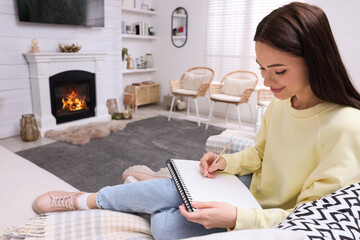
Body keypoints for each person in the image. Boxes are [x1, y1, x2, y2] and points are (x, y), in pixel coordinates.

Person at [32, 2, 360, 240]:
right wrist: (226, 161)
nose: (267, 81)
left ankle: (152, 186)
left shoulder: (346, 126)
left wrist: (237, 217)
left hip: (262, 212)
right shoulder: (280, 103)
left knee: (165, 227)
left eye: (279, 71)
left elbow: (309, 219)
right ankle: (84, 200)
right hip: (249, 188)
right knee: (179, 190)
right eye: (261, 68)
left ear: (316, 60)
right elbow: (260, 154)